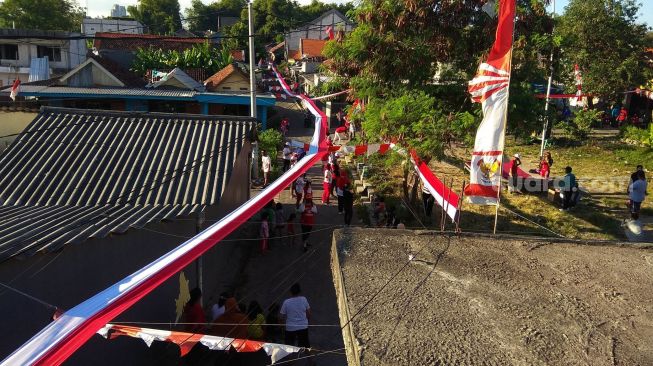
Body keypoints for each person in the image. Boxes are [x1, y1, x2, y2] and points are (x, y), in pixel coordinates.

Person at [280, 283, 311, 348]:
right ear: (300, 291)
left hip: (290, 328)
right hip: (303, 327)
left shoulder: (286, 302)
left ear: (290, 292)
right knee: (306, 345)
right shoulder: (304, 299)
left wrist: (282, 328)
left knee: (289, 347)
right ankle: (310, 358)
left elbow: (281, 317)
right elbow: (309, 313)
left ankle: (292, 357)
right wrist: (306, 322)